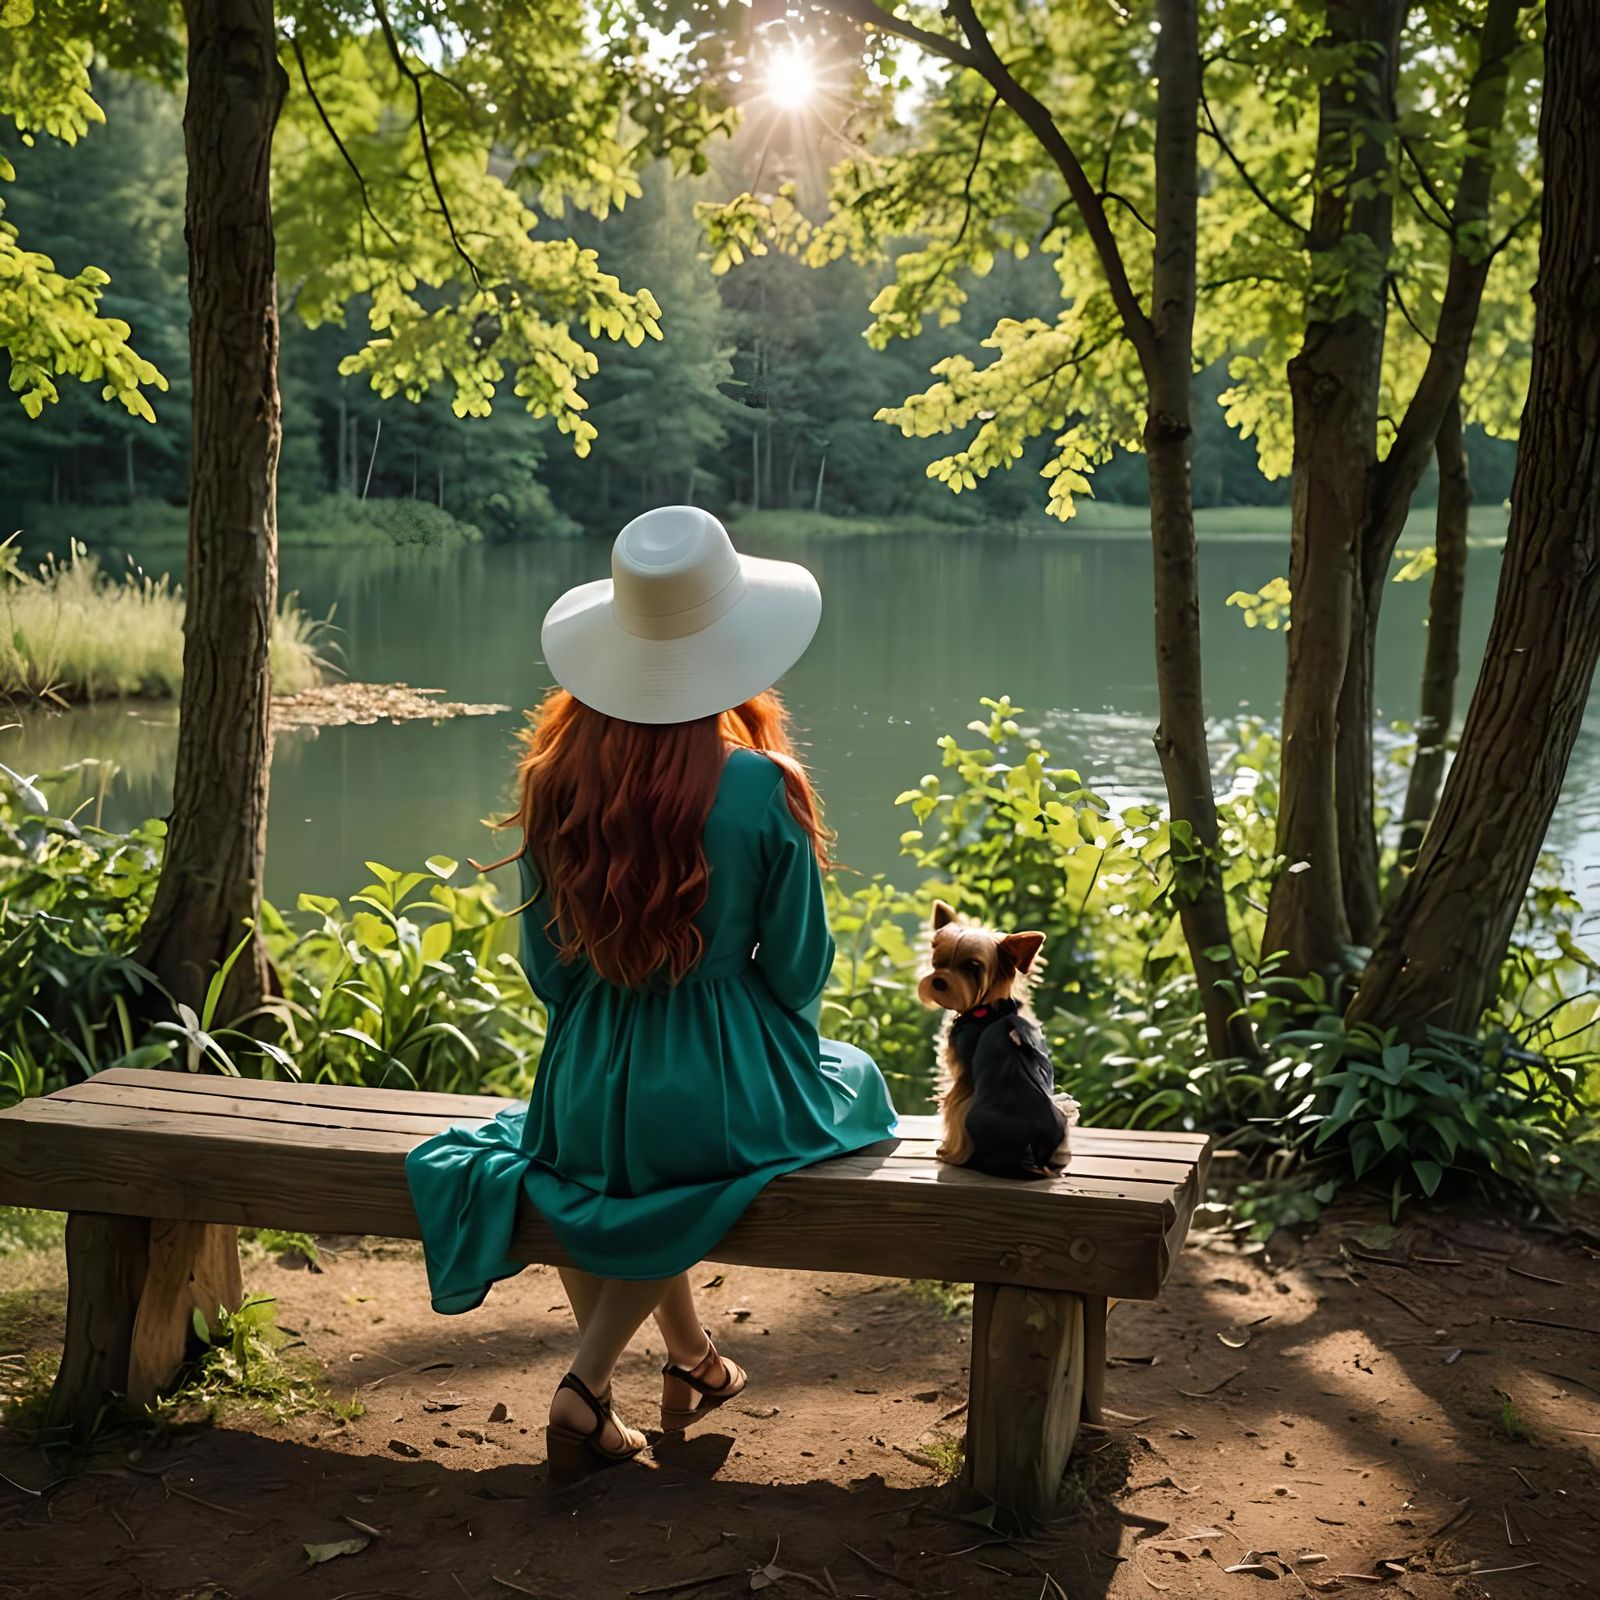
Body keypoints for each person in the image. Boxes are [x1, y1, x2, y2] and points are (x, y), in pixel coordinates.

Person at [405, 506, 899, 1481]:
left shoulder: (554, 781)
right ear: (732, 645)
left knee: (614, 1168)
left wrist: (613, 1042)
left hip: (583, 1078)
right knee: (852, 1084)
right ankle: (586, 1385)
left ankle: (692, 1358)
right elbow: (799, 969)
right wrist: (753, 1043)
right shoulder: (764, 786)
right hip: (719, 1074)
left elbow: (548, 973)